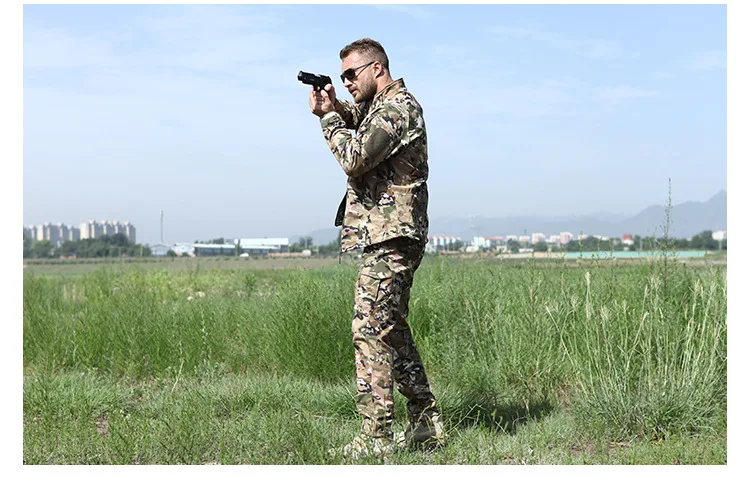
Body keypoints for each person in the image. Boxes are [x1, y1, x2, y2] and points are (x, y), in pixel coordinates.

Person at [308, 38, 446, 460]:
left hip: (393, 236)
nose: (346, 81)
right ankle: (426, 423)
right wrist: (333, 104)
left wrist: (329, 118)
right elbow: (363, 120)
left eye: (351, 74)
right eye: (341, 76)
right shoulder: (382, 107)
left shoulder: (398, 109)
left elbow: (355, 156)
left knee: (368, 327)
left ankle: (375, 437)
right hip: (388, 234)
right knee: (391, 327)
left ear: (377, 69)